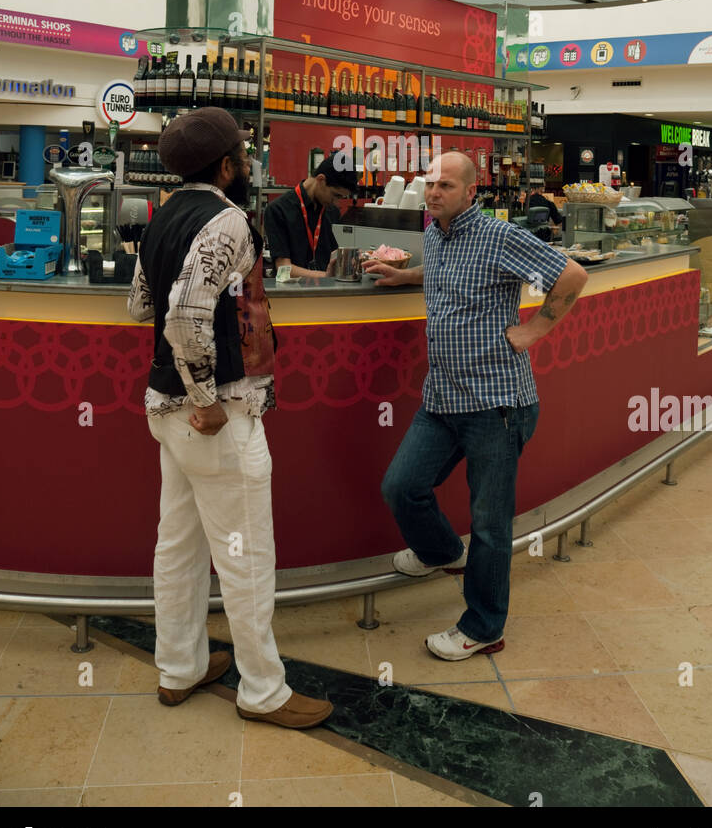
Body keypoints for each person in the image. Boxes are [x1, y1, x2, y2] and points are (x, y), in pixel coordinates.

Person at [127, 107, 332, 729]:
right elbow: (184, 313)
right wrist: (206, 398)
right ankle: (264, 690)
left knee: (179, 545)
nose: (249, 165)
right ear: (226, 166)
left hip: (163, 410)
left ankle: (179, 668)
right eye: (244, 156)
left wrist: (188, 391)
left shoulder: (163, 217)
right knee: (246, 556)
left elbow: (139, 305)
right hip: (216, 415)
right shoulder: (228, 220)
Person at [363, 151, 588, 661]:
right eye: (430, 183)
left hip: (497, 404)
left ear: (471, 191)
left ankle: (484, 626)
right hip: (442, 397)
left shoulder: (498, 235)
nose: (434, 191)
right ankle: (442, 552)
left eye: (445, 184)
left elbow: (572, 276)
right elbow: (446, 278)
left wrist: (533, 330)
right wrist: (403, 278)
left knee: (489, 524)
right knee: (402, 487)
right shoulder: (434, 234)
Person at [263, 150, 359, 279]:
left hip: (328, 293)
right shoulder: (278, 210)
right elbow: (283, 268)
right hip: (291, 295)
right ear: (321, 179)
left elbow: (334, 257)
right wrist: (326, 276)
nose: (336, 202)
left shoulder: (331, 211)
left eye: (341, 197)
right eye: (335, 195)